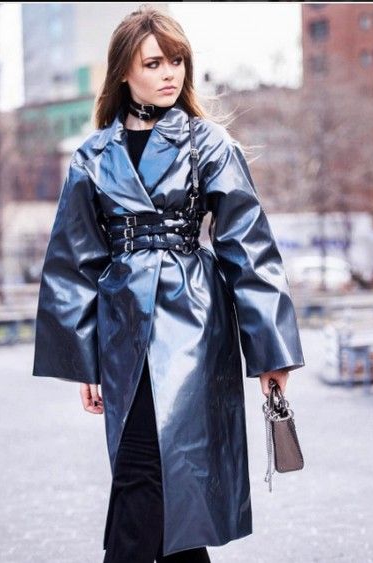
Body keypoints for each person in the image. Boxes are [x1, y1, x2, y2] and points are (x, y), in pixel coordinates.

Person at [32, 6, 304, 562]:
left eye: (177, 60)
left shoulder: (208, 144)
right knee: (146, 479)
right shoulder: (92, 157)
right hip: (122, 333)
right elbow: (72, 260)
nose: (169, 73)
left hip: (193, 329)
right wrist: (84, 360)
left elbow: (248, 248)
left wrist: (271, 352)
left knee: (169, 478)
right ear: (123, 72)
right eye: (154, 62)